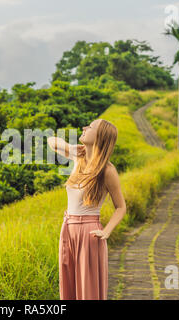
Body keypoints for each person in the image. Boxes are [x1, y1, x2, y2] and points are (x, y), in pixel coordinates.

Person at [47, 118, 127, 300]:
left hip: (89, 233)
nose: (84, 128)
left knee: (87, 290)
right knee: (68, 286)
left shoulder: (107, 171)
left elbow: (121, 207)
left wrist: (106, 232)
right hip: (68, 229)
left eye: (90, 127)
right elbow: (51, 141)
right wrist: (71, 148)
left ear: (100, 136)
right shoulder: (78, 156)